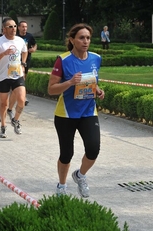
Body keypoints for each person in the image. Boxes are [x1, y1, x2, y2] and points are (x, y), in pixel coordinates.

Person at [48, 23, 105, 197]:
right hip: (66, 114)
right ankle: (62, 186)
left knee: (93, 149)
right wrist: (70, 82)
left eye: (88, 38)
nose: (85, 41)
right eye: (81, 38)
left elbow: (91, 83)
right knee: (67, 153)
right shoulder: (63, 60)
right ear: (72, 40)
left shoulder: (96, 58)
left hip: (88, 112)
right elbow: (51, 89)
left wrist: (97, 90)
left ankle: (80, 175)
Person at [0, 17, 28, 138]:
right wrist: (4, 53)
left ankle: (15, 120)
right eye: (10, 27)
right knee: (3, 104)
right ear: (4, 29)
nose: (13, 29)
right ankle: (2, 125)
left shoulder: (20, 40)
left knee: (21, 100)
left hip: (17, 74)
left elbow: (25, 51)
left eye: (15, 26)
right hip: (3, 76)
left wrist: (23, 63)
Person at [17, 20, 37, 106]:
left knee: (23, 77)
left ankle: (22, 96)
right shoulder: (16, 36)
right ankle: (21, 96)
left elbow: (35, 44)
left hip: (26, 60)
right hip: (16, 60)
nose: (24, 28)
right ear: (19, 27)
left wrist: (33, 49)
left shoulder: (29, 36)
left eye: (26, 27)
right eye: (23, 27)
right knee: (19, 78)